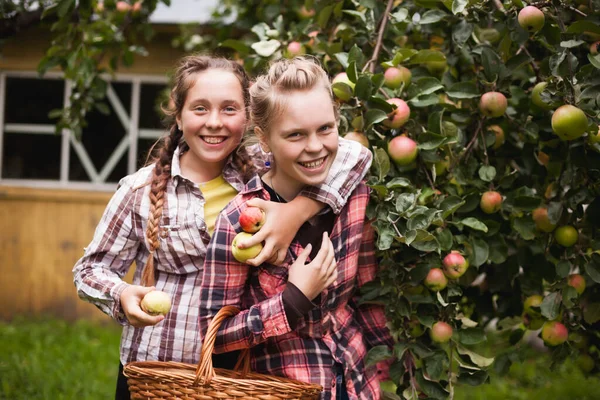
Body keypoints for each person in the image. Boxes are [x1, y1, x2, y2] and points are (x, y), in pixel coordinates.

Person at [72, 55, 373, 400]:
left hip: (236, 372)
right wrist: (122, 294)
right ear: (178, 114)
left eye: (229, 109)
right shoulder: (140, 190)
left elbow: (353, 154)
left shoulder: (264, 168)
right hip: (160, 366)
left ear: (248, 118)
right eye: (200, 109)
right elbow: (91, 268)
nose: (214, 122)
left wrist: (297, 210)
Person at [199, 56, 393, 400]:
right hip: (283, 387)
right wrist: (292, 301)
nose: (315, 147)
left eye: (325, 129)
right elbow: (215, 336)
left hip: (355, 382)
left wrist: (390, 368)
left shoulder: (354, 195)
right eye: (295, 135)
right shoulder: (239, 220)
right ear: (264, 138)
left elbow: (366, 295)